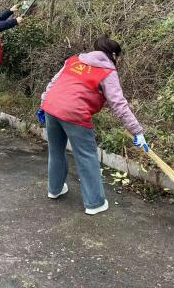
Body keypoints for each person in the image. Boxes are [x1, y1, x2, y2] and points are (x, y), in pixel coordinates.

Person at [37, 35, 149, 216]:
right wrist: (137, 131)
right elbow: (119, 104)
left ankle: (54, 189)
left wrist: (43, 104)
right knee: (87, 156)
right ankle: (95, 203)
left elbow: (54, 82)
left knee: (56, 151)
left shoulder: (74, 60)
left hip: (51, 107)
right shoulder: (108, 71)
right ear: (114, 55)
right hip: (74, 113)